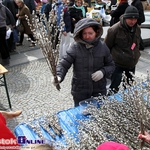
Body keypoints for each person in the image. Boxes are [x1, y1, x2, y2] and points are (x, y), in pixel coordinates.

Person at [52, 18, 115, 106]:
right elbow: (64, 63)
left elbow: (111, 65)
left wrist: (103, 72)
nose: (87, 36)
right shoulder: (75, 47)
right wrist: (59, 76)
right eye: (84, 33)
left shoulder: (103, 47)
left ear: (96, 32)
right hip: (80, 91)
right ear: (80, 33)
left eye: (90, 33)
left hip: (98, 91)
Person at [104, 5, 141, 94]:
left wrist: (136, 54)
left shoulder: (137, 29)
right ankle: (111, 104)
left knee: (129, 88)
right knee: (114, 88)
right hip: (117, 64)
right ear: (125, 17)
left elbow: (137, 43)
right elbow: (106, 47)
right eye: (130, 19)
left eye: (135, 19)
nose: (133, 21)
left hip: (131, 63)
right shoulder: (114, 30)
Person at [0, 0, 15, 65]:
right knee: (4, 42)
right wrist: (13, 23)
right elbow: (10, 14)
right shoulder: (3, 7)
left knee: (1, 45)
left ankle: (5, 59)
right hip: (3, 26)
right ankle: (7, 57)